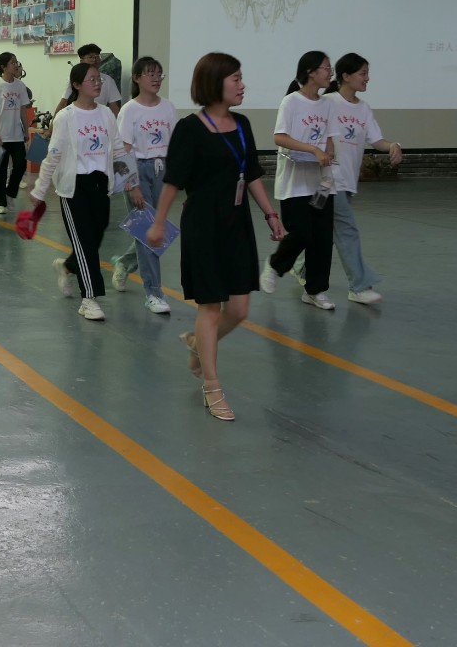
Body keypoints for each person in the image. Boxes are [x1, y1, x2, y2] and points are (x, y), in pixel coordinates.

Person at [147, 52, 286, 422]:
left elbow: (251, 173)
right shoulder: (189, 129)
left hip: (237, 223)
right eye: (236, 79)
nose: (242, 85)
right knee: (209, 307)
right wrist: (158, 223)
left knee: (239, 309)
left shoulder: (241, 124)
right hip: (203, 225)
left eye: (241, 78)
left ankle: (197, 344)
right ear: (215, 83)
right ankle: (212, 386)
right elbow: (173, 180)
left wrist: (271, 214)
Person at [291, 53, 403, 304]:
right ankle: (359, 286)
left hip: (345, 182)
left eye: (367, 73)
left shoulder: (363, 108)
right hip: (328, 179)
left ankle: (299, 265)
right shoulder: (327, 102)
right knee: (346, 229)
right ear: (346, 76)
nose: (367, 78)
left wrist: (393, 145)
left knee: (321, 230)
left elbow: (377, 140)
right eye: (363, 73)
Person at [31, 63, 119, 321]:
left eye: (99, 79)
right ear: (77, 85)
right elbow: (53, 156)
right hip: (74, 188)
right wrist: (40, 189)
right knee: (85, 242)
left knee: (95, 236)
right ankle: (89, 299)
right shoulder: (66, 117)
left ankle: (68, 266)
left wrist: (131, 182)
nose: (98, 83)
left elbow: (118, 149)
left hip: (100, 184)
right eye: (92, 79)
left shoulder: (106, 114)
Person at [262, 51, 338, 310]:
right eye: (326, 68)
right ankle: (275, 265)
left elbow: (329, 138)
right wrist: (312, 150)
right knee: (302, 233)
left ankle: (315, 290)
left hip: (321, 183)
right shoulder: (291, 102)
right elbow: (280, 137)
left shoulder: (327, 104)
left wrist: (328, 154)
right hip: (294, 183)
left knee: (322, 238)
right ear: (310, 72)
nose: (330, 73)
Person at [111, 57, 178, 314]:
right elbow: (123, 151)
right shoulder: (130, 110)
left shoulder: (168, 107)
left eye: (159, 74)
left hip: (164, 169)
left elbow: (175, 144)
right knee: (148, 229)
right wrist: (132, 184)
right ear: (137, 78)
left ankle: (125, 263)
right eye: (151, 74)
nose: (156, 78)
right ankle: (153, 292)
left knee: (155, 229)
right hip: (138, 169)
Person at [0, 52, 30, 215]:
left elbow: (22, 109)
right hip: (0, 135)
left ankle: (10, 192)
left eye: (16, 62)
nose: (16, 65)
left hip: (16, 134)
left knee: (21, 165)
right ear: (3, 67)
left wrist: (26, 129)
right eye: (12, 63)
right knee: (0, 170)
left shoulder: (20, 85)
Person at [53, 43, 121, 120]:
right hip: (77, 118)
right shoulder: (75, 78)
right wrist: (51, 126)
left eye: (97, 56)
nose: (95, 60)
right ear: (81, 61)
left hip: (98, 119)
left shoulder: (108, 80)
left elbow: (114, 107)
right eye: (90, 57)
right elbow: (64, 102)